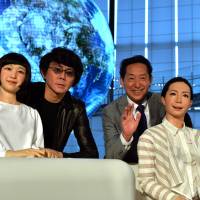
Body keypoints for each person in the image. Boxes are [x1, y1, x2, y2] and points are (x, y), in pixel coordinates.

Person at [103, 55, 192, 163]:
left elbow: (186, 145)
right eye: (131, 78)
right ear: (121, 81)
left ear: (150, 80)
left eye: (142, 78)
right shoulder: (111, 111)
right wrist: (126, 136)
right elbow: (110, 157)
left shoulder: (165, 102)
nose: (137, 84)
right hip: (127, 172)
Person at [18, 47, 99, 158]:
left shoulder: (76, 108)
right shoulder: (24, 93)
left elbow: (91, 153)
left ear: (74, 80)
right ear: (44, 72)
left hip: (50, 167)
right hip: (16, 161)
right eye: (57, 70)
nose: (62, 77)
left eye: (69, 73)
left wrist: (60, 155)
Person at [138, 77, 200, 200]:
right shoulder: (150, 136)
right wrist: (174, 198)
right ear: (163, 100)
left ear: (190, 103)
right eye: (173, 94)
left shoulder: (197, 136)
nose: (179, 100)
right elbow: (145, 181)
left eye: (185, 96)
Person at [0, 52, 45, 157]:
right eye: (8, 69)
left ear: (25, 78)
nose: (13, 75)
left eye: (20, 71)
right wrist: (16, 154)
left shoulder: (32, 113)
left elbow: (37, 153)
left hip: (28, 172)